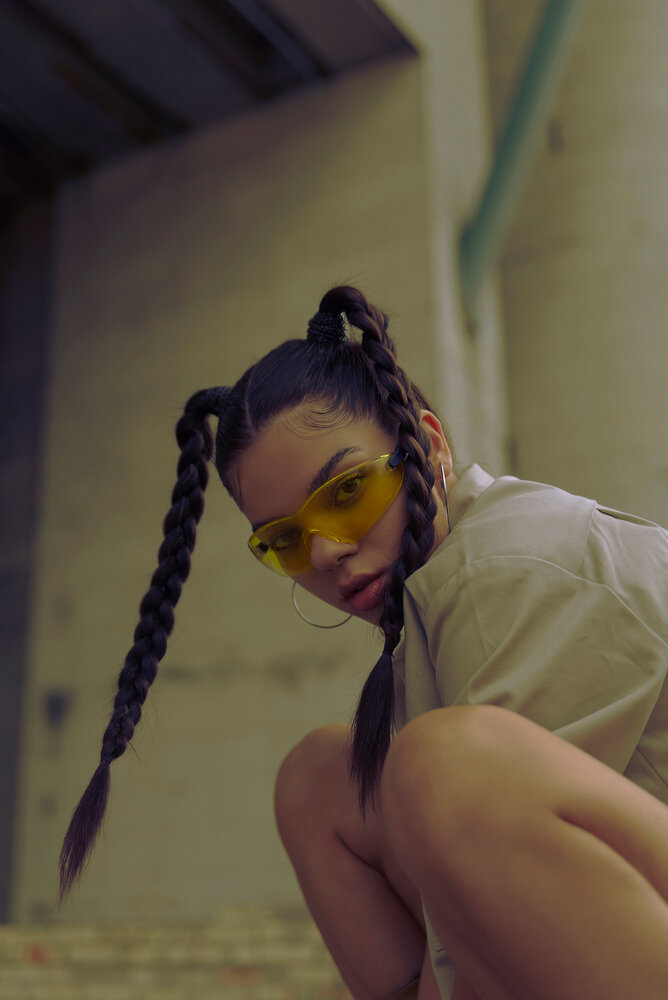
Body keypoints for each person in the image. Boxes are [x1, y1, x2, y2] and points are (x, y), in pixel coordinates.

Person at [59, 285, 668, 1000]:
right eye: (285, 539)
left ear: (429, 446)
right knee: (321, 781)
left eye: (346, 491)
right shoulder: (436, 597)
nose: (324, 552)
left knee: (445, 766)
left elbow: (478, 935)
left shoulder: (506, 567)